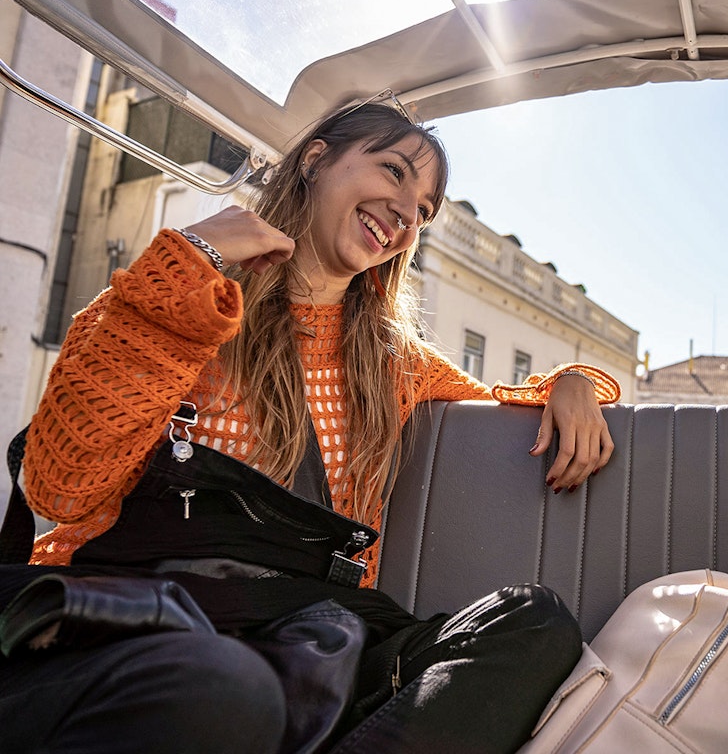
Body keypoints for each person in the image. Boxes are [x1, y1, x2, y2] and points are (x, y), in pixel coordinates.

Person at [0, 94, 621, 753]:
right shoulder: (178, 294)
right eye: (394, 172)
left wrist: (572, 382)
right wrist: (192, 258)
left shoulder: (396, 363)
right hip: (141, 628)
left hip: (311, 643)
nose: (408, 214)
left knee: (536, 623)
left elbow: (506, 395)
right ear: (316, 160)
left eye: (426, 211)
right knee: (227, 687)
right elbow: (59, 487)